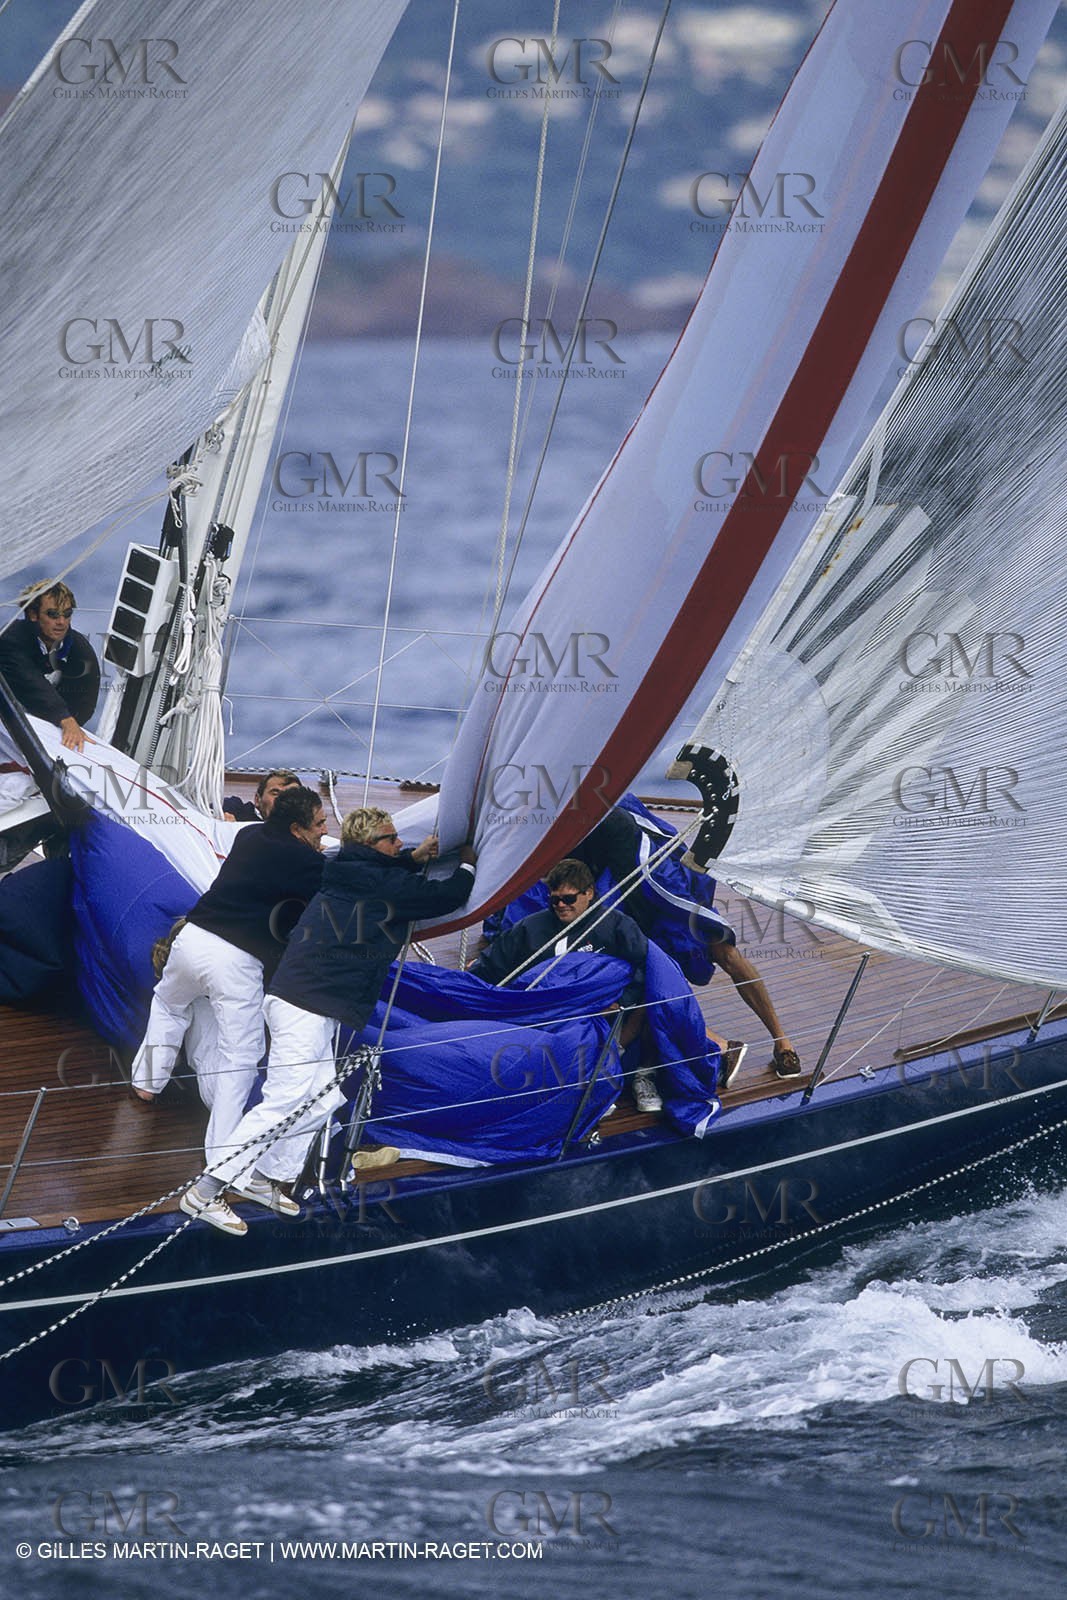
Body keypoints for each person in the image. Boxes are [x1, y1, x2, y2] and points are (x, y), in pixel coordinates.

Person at [181, 807, 478, 1236]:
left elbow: (383, 871)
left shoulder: (347, 870)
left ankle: (264, 1176)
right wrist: (468, 862)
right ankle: (206, 1190)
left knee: (322, 1099)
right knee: (284, 1099)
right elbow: (446, 896)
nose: (400, 844)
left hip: (311, 1003)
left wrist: (409, 858)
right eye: (392, 839)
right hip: (304, 1006)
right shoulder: (380, 883)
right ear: (371, 846)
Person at [131, 785, 328, 1172]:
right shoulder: (308, 863)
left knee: (169, 1005)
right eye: (319, 824)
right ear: (296, 829)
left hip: (191, 939)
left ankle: (146, 1084)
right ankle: (222, 1154)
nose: (325, 830)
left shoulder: (249, 835)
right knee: (241, 1056)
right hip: (235, 961)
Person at [571, 803, 801, 1080]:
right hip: (626, 905)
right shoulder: (560, 826)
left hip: (665, 886)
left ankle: (782, 1041)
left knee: (726, 952)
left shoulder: (611, 803)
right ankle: (719, 1044)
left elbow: (658, 833)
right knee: (656, 978)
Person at [468, 858, 671, 1111]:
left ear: (589, 893)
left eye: (569, 898)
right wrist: (468, 981)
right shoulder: (531, 928)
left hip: (608, 1012)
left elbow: (647, 966)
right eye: (555, 900)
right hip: (553, 1012)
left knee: (660, 997)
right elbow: (493, 963)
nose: (561, 906)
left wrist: (623, 1000)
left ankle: (644, 1073)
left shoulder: (617, 926)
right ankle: (584, 1083)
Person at [0, 582, 100, 752]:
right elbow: (28, 680)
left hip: (46, 728)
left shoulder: (80, 649)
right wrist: (64, 718)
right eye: (53, 614)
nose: (61, 622)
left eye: (67, 614)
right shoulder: (10, 638)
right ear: (33, 614)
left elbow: (85, 702)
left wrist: (67, 728)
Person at [223, 769, 299, 823]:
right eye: (275, 794)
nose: (283, 800)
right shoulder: (234, 809)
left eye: (291, 795)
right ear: (257, 800)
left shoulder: (303, 826)